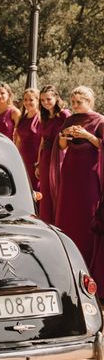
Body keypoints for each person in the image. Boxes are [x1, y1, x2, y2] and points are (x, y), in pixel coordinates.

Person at [54, 86, 104, 288]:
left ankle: (88, 266)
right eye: (73, 102)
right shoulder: (69, 119)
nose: (74, 105)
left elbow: (101, 145)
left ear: (89, 101)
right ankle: (67, 264)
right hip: (70, 174)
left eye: (79, 102)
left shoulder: (100, 120)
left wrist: (87, 135)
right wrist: (64, 136)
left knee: (87, 214)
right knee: (68, 215)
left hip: (89, 175)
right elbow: (61, 147)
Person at [36, 85, 70, 224]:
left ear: (56, 98)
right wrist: (38, 163)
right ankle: (47, 223)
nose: (45, 102)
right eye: (42, 100)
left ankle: (60, 222)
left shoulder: (65, 115)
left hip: (59, 157)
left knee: (58, 189)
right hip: (45, 157)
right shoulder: (44, 117)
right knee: (46, 192)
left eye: (48, 99)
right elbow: (42, 142)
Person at [14, 88, 41, 191]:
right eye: (25, 99)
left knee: (35, 188)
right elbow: (18, 140)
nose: (27, 102)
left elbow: (43, 143)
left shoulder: (41, 118)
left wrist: (39, 164)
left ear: (38, 101)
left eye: (31, 100)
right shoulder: (22, 118)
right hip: (22, 159)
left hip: (34, 160)